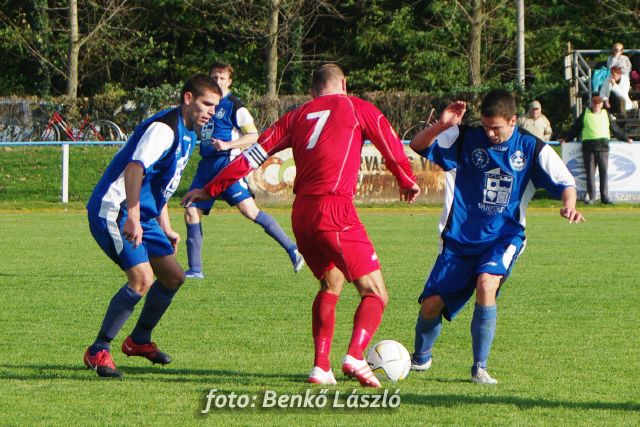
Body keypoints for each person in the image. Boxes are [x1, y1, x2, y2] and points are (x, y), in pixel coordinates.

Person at [182, 64, 421, 388]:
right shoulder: (357, 107)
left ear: (312, 91)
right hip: (334, 209)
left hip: (302, 214)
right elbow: (389, 143)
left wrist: (210, 188)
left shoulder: (295, 116)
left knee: (331, 285)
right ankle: (355, 356)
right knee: (376, 293)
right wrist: (406, 179)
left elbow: (251, 157)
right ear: (344, 84)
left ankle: (321, 367)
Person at [410, 89, 584, 385]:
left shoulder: (531, 147)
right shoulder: (465, 137)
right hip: (459, 240)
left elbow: (565, 181)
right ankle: (420, 358)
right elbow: (417, 145)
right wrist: (442, 125)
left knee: (486, 283)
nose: (490, 133)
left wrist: (569, 204)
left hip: (503, 237)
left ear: (513, 120)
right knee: (431, 304)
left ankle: (479, 368)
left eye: (497, 127)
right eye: (486, 126)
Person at [83, 74, 222, 378]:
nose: (211, 111)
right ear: (188, 98)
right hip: (116, 208)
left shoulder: (189, 133)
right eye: (207, 104)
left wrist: (165, 226)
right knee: (142, 279)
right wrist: (133, 217)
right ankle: (98, 350)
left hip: (143, 214)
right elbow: (135, 169)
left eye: (215, 106)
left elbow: (160, 185)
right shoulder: (164, 129)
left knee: (173, 277)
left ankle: (139, 340)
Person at [184, 62, 303, 279]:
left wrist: (228, 145)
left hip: (227, 166)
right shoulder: (205, 104)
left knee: (250, 211)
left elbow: (253, 135)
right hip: (206, 167)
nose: (217, 81)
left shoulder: (234, 106)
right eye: (214, 77)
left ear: (229, 81)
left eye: (222, 78)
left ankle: (292, 249)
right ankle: (195, 270)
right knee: (191, 210)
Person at [563, 95, 633, 204]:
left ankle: (604, 197)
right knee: (590, 174)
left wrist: (626, 138)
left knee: (603, 173)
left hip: (603, 148)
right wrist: (567, 139)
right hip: (589, 148)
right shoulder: (585, 114)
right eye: (594, 103)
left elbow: (615, 129)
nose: (596, 105)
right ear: (591, 103)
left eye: (598, 104)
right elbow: (576, 129)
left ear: (601, 104)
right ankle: (592, 197)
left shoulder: (606, 114)